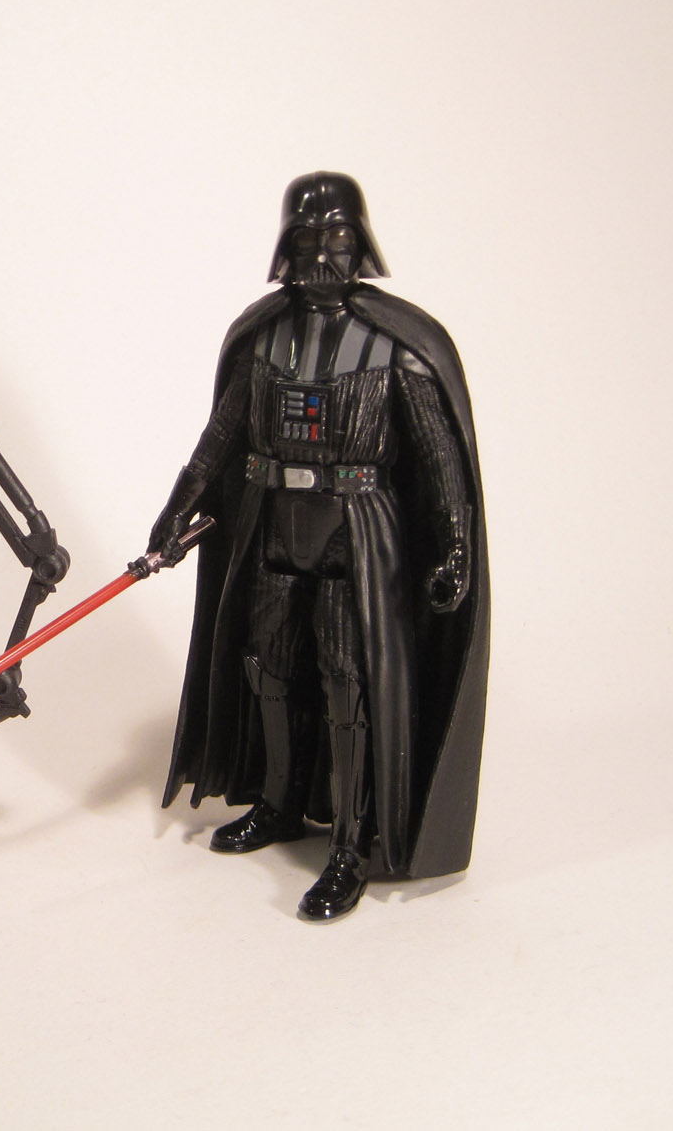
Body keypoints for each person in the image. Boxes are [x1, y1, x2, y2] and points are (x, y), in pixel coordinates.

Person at [149, 172, 489, 921]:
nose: (320, 255)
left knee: (346, 681)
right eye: (305, 239)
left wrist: (456, 543)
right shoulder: (263, 335)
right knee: (267, 668)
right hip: (272, 524)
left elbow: (439, 457)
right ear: (284, 246)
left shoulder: (396, 346)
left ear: (359, 243)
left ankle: (351, 841)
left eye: (335, 238)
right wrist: (178, 506)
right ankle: (276, 801)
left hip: (354, 537)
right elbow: (221, 434)